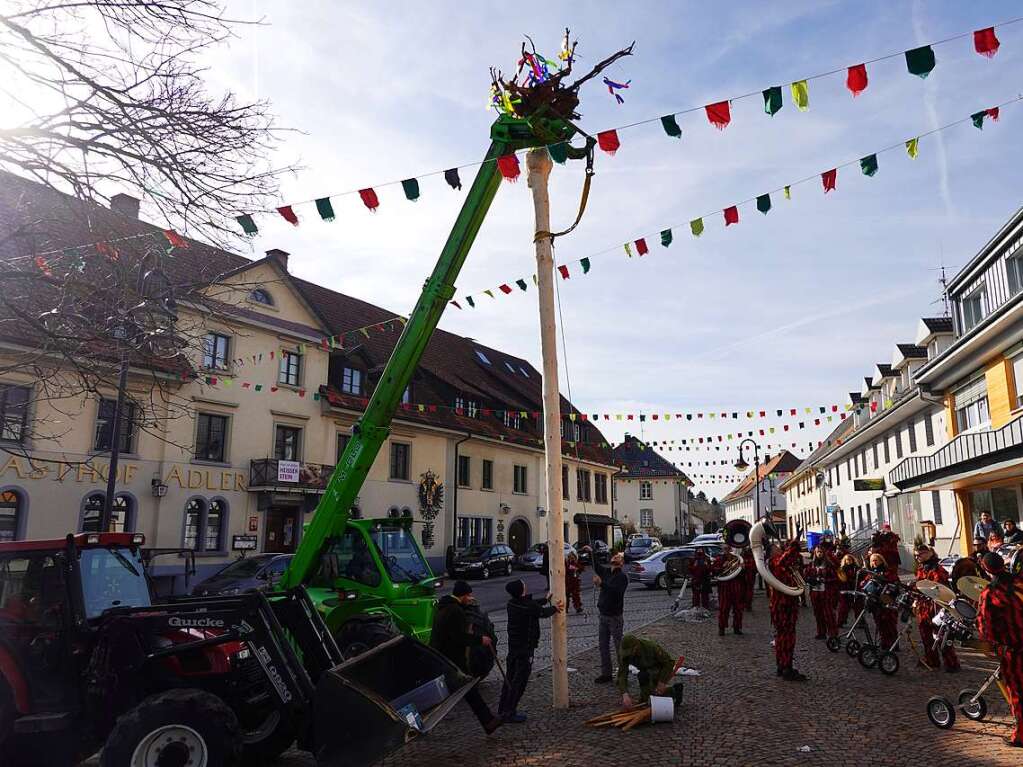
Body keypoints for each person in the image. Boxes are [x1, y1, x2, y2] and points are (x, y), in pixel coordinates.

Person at [430, 581, 502, 735]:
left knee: (467, 690)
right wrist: (480, 639)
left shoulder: (443, 607)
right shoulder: (455, 611)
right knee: (466, 690)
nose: (470, 598)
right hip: (451, 659)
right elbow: (459, 637)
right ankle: (488, 721)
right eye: (468, 595)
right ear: (463, 595)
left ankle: (488, 721)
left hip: (441, 657)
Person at [976, 552, 1023, 747]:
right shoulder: (1020, 583)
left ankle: (1021, 735)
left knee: (1018, 692)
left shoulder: (990, 594)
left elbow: (985, 627)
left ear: (986, 570)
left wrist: (989, 644)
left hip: (1014, 652)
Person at [498, 579, 561, 723]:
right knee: (519, 681)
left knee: (509, 678)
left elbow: (532, 605)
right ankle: (510, 712)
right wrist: (555, 608)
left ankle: (502, 709)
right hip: (524, 649)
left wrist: (545, 600)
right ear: (521, 590)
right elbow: (541, 612)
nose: (526, 586)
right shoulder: (527, 606)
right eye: (523, 585)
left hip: (513, 647)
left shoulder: (512, 604)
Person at [913, 544, 960, 672]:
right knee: (925, 635)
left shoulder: (938, 569)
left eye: (920, 554)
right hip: (923, 606)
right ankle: (932, 660)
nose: (918, 557)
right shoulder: (920, 568)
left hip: (937, 606)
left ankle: (951, 663)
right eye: (916, 555)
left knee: (941, 635)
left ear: (929, 553)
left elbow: (940, 588)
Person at [768, 538, 806, 681]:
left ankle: (783, 665)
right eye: (778, 548)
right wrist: (793, 546)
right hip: (783, 605)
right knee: (786, 637)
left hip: (788, 603)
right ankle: (786, 667)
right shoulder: (774, 562)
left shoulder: (784, 564)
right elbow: (782, 561)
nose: (781, 549)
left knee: (784, 636)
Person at [593, 552, 629, 684]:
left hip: (615, 617)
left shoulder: (622, 577)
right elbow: (596, 566)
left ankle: (623, 676)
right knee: (603, 646)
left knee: (619, 647)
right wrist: (591, 551)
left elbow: (616, 592)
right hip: (603, 615)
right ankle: (606, 674)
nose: (616, 558)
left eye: (619, 557)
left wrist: (601, 584)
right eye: (615, 556)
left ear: (622, 563)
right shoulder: (606, 572)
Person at [617, 634, 677, 707]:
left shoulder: (651, 647)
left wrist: (662, 681)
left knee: (658, 690)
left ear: (636, 647)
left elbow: (669, 663)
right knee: (643, 676)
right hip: (644, 669)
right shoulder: (624, 654)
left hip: (659, 667)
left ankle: (674, 692)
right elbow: (622, 674)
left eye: (630, 652)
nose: (628, 654)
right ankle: (645, 700)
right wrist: (625, 694)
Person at [862, 553, 898, 651]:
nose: (874, 562)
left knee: (889, 622)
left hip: (886, 599)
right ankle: (884, 642)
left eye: (876, 560)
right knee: (879, 622)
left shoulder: (888, 571)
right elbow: (865, 584)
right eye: (872, 561)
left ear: (881, 561)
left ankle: (894, 643)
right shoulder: (871, 573)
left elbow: (895, 584)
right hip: (875, 600)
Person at [805, 546, 838, 641]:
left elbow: (835, 578)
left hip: (826, 592)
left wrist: (825, 580)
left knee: (829, 614)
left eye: (821, 552)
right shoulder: (811, 565)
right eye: (817, 552)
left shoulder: (829, 565)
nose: (819, 554)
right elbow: (806, 576)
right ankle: (821, 632)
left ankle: (832, 633)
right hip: (815, 593)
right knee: (818, 614)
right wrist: (811, 580)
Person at [710, 550, 744, 636]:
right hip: (724, 587)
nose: (728, 551)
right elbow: (713, 572)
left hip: (736, 587)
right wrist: (722, 567)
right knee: (724, 608)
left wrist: (743, 568)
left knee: (738, 609)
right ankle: (721, 628)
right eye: (726, 549)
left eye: (729, 549)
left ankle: (737, 628)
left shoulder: (738, 559)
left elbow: (744, 574)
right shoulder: (719, 559)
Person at [836, 553, 860, 628]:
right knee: (843, 608)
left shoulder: (857, 569)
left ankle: (860, 622)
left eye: (850, 560)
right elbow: (841, 580)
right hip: (845, 590)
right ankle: (840, 622)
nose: (848, 561)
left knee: (858, 607)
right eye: (847, 560)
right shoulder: (842, 569)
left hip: (855, 589)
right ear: (844, 561)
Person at [742, 547, 757, 612]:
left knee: (749, 591)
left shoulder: (753, 557)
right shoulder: (742, 556)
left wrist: (745, 566)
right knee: (744, 591)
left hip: (750, 576)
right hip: (744, 576)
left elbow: (755, 567)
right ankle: (745, 604)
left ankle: (748, 605)